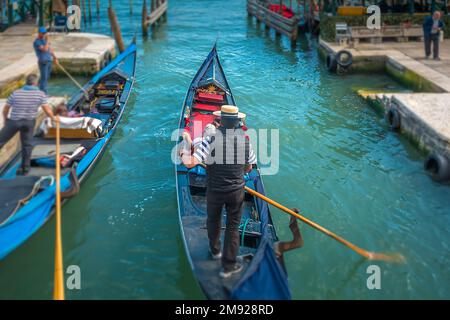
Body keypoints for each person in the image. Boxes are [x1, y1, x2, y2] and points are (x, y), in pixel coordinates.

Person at [180, 105, 257, 279]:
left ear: (221, 120)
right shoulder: (246, 142)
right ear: (237, 122)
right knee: (233, 227)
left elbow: (190, 163)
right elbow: (249, 168)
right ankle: (228, 266)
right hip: (237, 191)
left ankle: (215, 251)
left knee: (213, 221)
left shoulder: (210, 140)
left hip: (215, 190)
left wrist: (184, 151)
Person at [0, 74, 54, 175]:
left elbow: (6, 108)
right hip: (29, 122)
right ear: (35, 83)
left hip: (14, 121)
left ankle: (24, 168)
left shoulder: (16, 93)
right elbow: (47, 110)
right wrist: (53, 119)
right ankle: (25, 169)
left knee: (1, 141)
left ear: (26, 82)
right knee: (27, 145)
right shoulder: (41, 94)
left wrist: (5, 119)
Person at [33, 27, 58, 93]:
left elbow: (49, 50)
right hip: (43, 62)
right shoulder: (37, 42)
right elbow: (44, 49)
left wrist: (55, 57)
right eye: (43, 33)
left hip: (49, 61)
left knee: (46, 77)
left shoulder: (45, 40)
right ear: (39, 33)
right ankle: (43, 94)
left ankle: (37, 89)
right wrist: (47, 41)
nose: (44, 34)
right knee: (44, 78)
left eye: (45, 33)